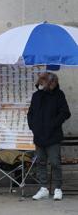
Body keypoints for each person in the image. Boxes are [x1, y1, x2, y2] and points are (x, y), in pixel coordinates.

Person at [27, 72, 71, 201]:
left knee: (55, 162)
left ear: (51, 83)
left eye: (42, 82)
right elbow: (30, 113)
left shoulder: (59, 95)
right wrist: (33, 126)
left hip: (53, 136)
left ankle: (58, 188)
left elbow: (65, 113)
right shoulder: (36, 96)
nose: (40, 84)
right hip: (39, 135)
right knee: (40, 162)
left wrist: (53, 124)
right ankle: (43, 188)